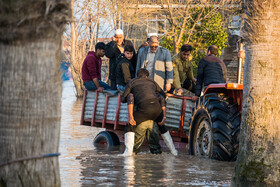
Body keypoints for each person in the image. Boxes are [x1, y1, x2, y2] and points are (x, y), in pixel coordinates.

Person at [121, 69, 178, 156]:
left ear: (137, 75)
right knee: (162, 127)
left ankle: (128, 153)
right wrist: (164, 116)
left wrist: (136, 94)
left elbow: (124, 99)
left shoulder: (132, 82)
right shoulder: (152, 81)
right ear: (147, 76)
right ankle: (174, 151)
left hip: (143, 110)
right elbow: (163, 95)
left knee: (129, 126)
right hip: (157, 110)